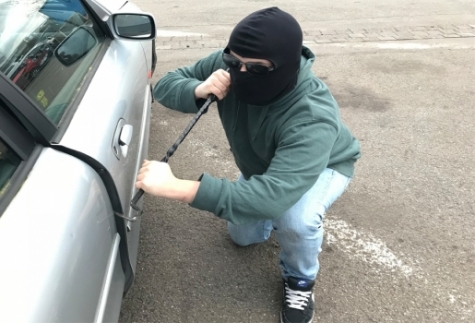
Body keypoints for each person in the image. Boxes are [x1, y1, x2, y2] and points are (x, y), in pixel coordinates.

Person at [135, 7, 361, 323]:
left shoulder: (312, 115)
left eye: (254, 68)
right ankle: (258, 200)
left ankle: (300, 279)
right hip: (262, 166)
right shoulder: (231, 64)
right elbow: (166, 85)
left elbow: (272, 197)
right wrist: (198, 89)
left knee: (296, 219)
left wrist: (178, 188)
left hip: (326, 164)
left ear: (284, 67)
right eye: (232, 62)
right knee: (244, 235)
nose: (238, 73)